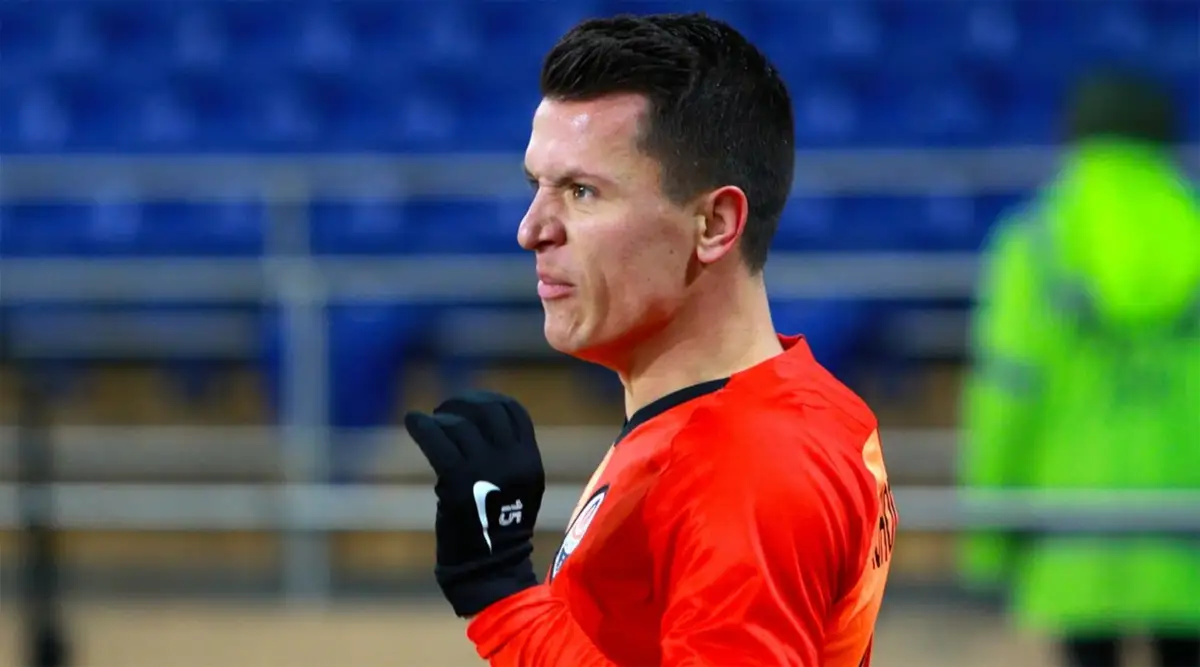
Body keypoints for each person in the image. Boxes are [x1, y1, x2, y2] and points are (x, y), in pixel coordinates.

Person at [404, 13, 898, 666]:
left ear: (714, 224)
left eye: (582, 192)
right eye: (537, 186)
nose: (531, 229)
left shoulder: (747, 468)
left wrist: (500, 596)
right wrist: (502, 591)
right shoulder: (779, 405)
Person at [960, 69, 1200, 667]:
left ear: (1071, 138)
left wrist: (991, 535)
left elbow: (1006, 400)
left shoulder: (1034, 243)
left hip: (1073, 538)